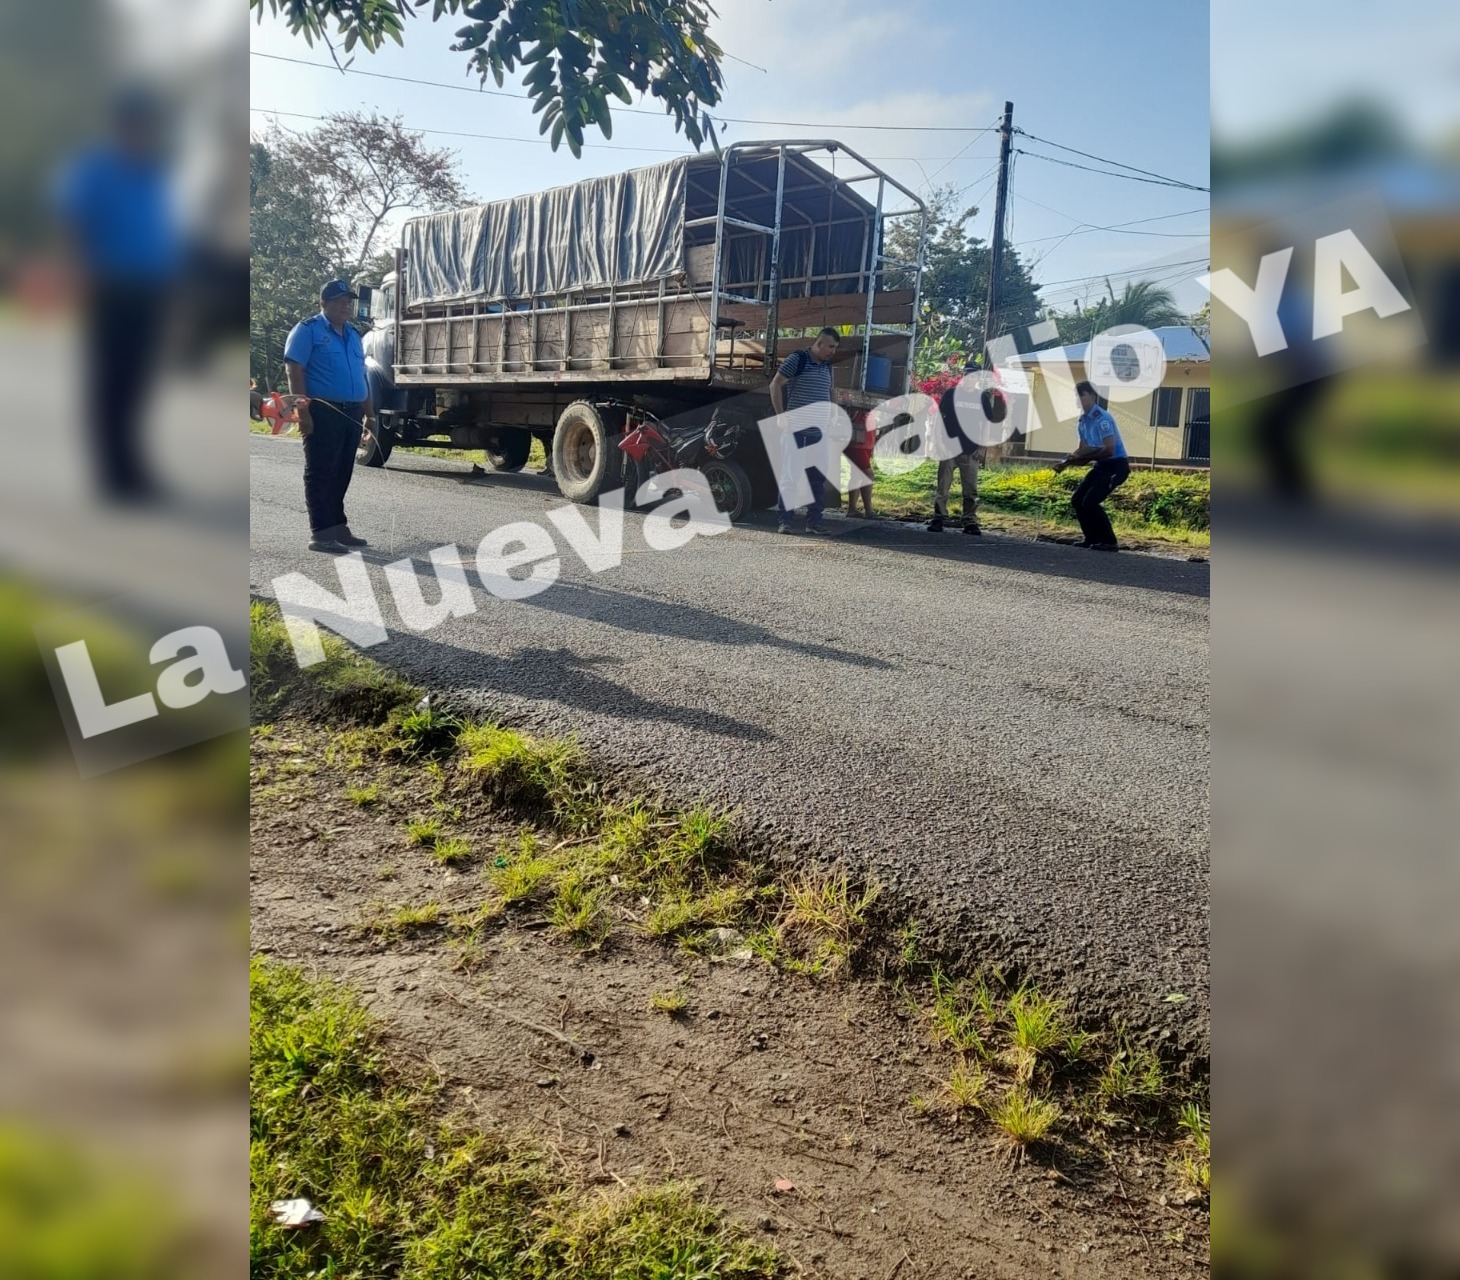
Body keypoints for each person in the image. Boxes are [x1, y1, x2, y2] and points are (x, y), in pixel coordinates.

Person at [54, 84, 179, 502]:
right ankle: (111, 473)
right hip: (109, 286)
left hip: (150, 289)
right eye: (137, 123)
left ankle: (131, 466)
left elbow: (163, 233)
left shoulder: (154, 172)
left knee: (138, 381)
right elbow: (74, 223)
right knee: (110, 380)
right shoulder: (94, 167)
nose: (143, 131)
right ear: (120, 123)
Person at [283, 279, 375, 553]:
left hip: (351, 411)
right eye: (339, 301)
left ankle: (337, 526)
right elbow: (294, 370)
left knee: (342, 471)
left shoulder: (354, 335)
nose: (346, 305)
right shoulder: (307, 330)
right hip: (322, 409)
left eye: (349, 300)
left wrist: (369, 414)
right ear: (323, 303)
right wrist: (303, 410)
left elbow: (362, 375)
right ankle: (321, 534)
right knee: (321, 472)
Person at [769, 327, 842, 534]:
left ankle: (814, 523)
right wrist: (780, 415)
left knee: (817, 479)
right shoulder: (798, 359)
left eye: (835, 348)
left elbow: (830, 391)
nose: (833, 352)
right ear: (819, 344)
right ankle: (785, 521)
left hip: (819, 432)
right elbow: (775, 385)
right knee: (790, 476)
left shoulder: (828, 366)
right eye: (830, 347)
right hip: (795, 430)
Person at [1053, 381, 1130, 551]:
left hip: (1116, 466)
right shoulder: (1082, 422)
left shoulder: (1103, 419)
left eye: (1082, 395)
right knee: (1077, 500)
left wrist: (1083, 455)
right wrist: (1066, 463)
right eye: (1076, 396)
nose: (1078, 399)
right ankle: (1091, 538)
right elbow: (1083, 453)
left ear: (1092, 396)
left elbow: (1109, 450)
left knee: (1091, 501)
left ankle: (1110, 542)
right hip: (1101, 466)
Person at [929, 382, 984, 535]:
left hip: (971, 450)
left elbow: (986, 424)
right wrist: (937, 442)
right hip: (948, 448)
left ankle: (970, 521)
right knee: (943, 487)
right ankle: (939, 518)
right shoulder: (951, 394)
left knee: (970, 490)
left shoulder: (982, 397)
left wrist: (982, 447)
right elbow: (939, 418)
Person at [843, 409, 876, 518]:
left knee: (856, 474)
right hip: (856, 441)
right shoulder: (854, 402)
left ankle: (852, 509)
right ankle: (868, 510)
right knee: (868, 474)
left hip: (865, 439)